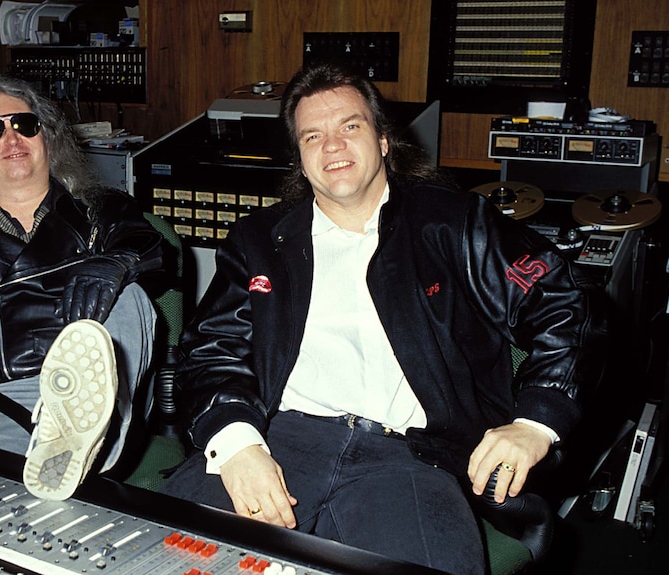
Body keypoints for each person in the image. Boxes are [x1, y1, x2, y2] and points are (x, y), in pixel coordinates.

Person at [158, 63, 606, 574]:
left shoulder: (456, 225)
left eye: (350, 127)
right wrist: (237, 445)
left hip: (410, 458)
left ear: (385, 141)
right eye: (313, 136)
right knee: (159, 562)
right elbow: (213, 350)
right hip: (277, 439)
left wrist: (534, 423)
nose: (332, 146)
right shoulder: (258, 243)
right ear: (300, 159)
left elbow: (567, 306)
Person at [0, 75, 164, 502]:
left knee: (133, 294)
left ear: (47, 140)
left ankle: (84, 434)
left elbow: (147, 244)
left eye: (24, 124)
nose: (11, 138)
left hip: (96, 388)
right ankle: (59, 452)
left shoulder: (102, 208)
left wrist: (115, 261)